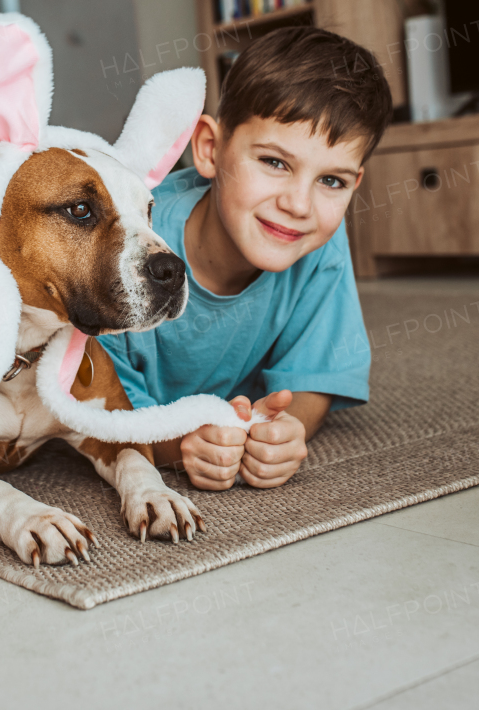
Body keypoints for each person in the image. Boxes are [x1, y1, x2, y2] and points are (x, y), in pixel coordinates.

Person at [97, 27, 391, 491]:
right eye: (275, 162)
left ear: (354, 184)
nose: (299, 204)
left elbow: (315, 374)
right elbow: (94, 410)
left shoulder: (314, 238)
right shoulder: (124, 242)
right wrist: (179, 444)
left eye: (331, 181)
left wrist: (284, 431)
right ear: (210, 150)